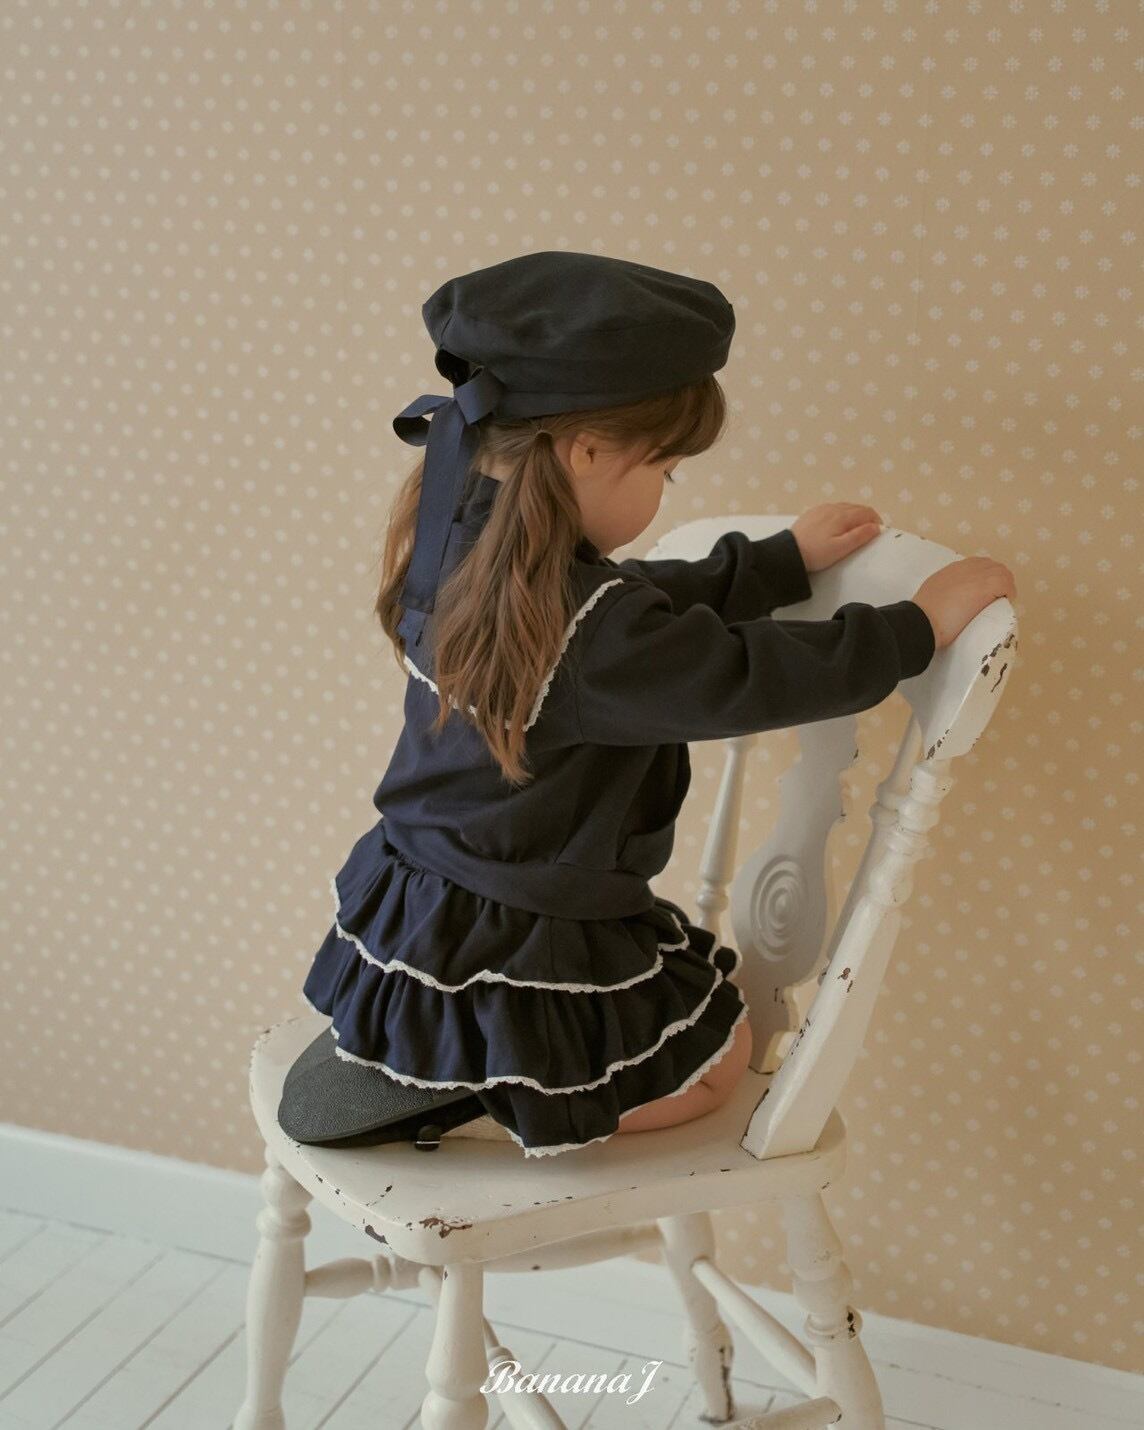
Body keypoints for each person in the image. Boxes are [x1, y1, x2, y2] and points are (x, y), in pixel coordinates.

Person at [280, 251, 1016, 1159]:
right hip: (525, 926)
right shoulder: (590, 635)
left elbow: (633, 607)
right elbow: (739, 674)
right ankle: (495, 1090)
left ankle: (452, 1057)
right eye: (664, 470)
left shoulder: (462, 537)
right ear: (587, 450)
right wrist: (913, 629)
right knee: (719, 1065)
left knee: (697, 1010)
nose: (665, 492)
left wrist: (775, 562)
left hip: (431, 894)